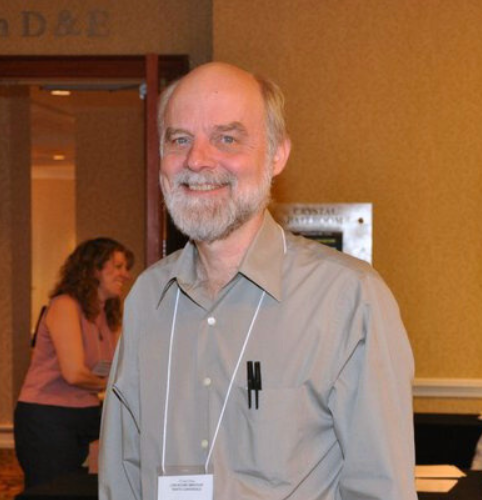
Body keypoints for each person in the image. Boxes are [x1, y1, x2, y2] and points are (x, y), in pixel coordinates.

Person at [99, 62, 417, 500]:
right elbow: (122, 477)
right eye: (180, 139)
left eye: (226, 138)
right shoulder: (146, 299)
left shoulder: (347, 299)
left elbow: (380, 490)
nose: (197, 159)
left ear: (277, 155)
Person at [14, 237, 134, 489]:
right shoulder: (65, 305)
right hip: (48, 417)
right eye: (118, 266)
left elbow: (116, 367)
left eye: (126, 267)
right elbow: (74, 374)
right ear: (93, 269)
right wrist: (111, 384)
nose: (126, 274)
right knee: (50, 491)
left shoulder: (106, 314)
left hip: (87, 414)